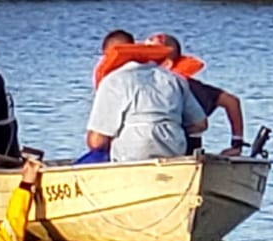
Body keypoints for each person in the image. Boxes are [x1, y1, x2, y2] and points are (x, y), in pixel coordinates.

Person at [84, 31, 207, 163]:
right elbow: (200, 124)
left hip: (131, 155)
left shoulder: (113, 81)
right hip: (173, 150)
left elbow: (97, 142)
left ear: (107, 56)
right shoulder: (175, 79)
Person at [146, 32, 245, 156]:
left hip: (184, 150)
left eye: (150, 57)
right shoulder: (139, 86)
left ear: (167, 64)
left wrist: (237, 143)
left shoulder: (189, 86)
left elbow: (231, 102)